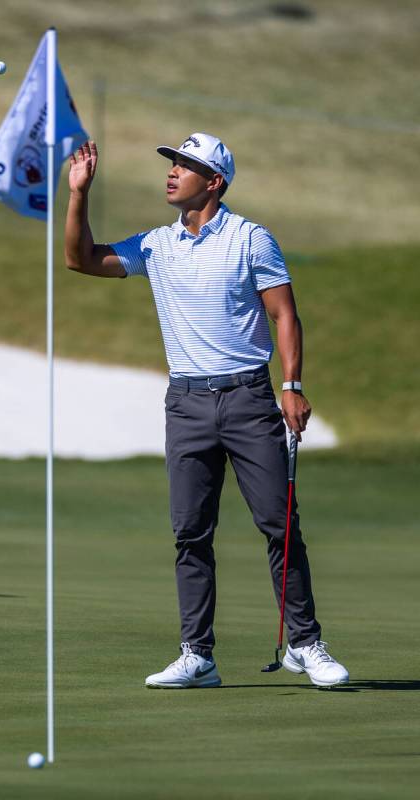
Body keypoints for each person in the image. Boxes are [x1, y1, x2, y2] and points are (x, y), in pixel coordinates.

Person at [64, 132, 349, 689]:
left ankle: (306, 643)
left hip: (248, 400)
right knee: (190, 532)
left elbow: (283, 314)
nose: (172, 172)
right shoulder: (155, 245)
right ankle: (198, 654)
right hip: (187, 403)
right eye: (171, 163)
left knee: (277, 524)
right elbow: (81, 260)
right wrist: (79, 194)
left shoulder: (251, 238)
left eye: (185, 165)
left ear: (213, 181)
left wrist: (291, 383)